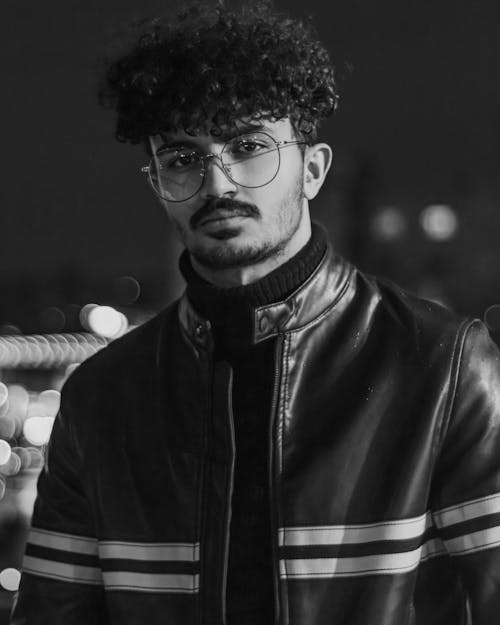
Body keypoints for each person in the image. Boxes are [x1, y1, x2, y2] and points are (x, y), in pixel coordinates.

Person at [11, 2, 500, 624]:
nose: (219, 184)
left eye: (248, 146)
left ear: (313, 169)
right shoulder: (102, 399)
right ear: (157, 183)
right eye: (183, 157)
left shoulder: (442, 366)